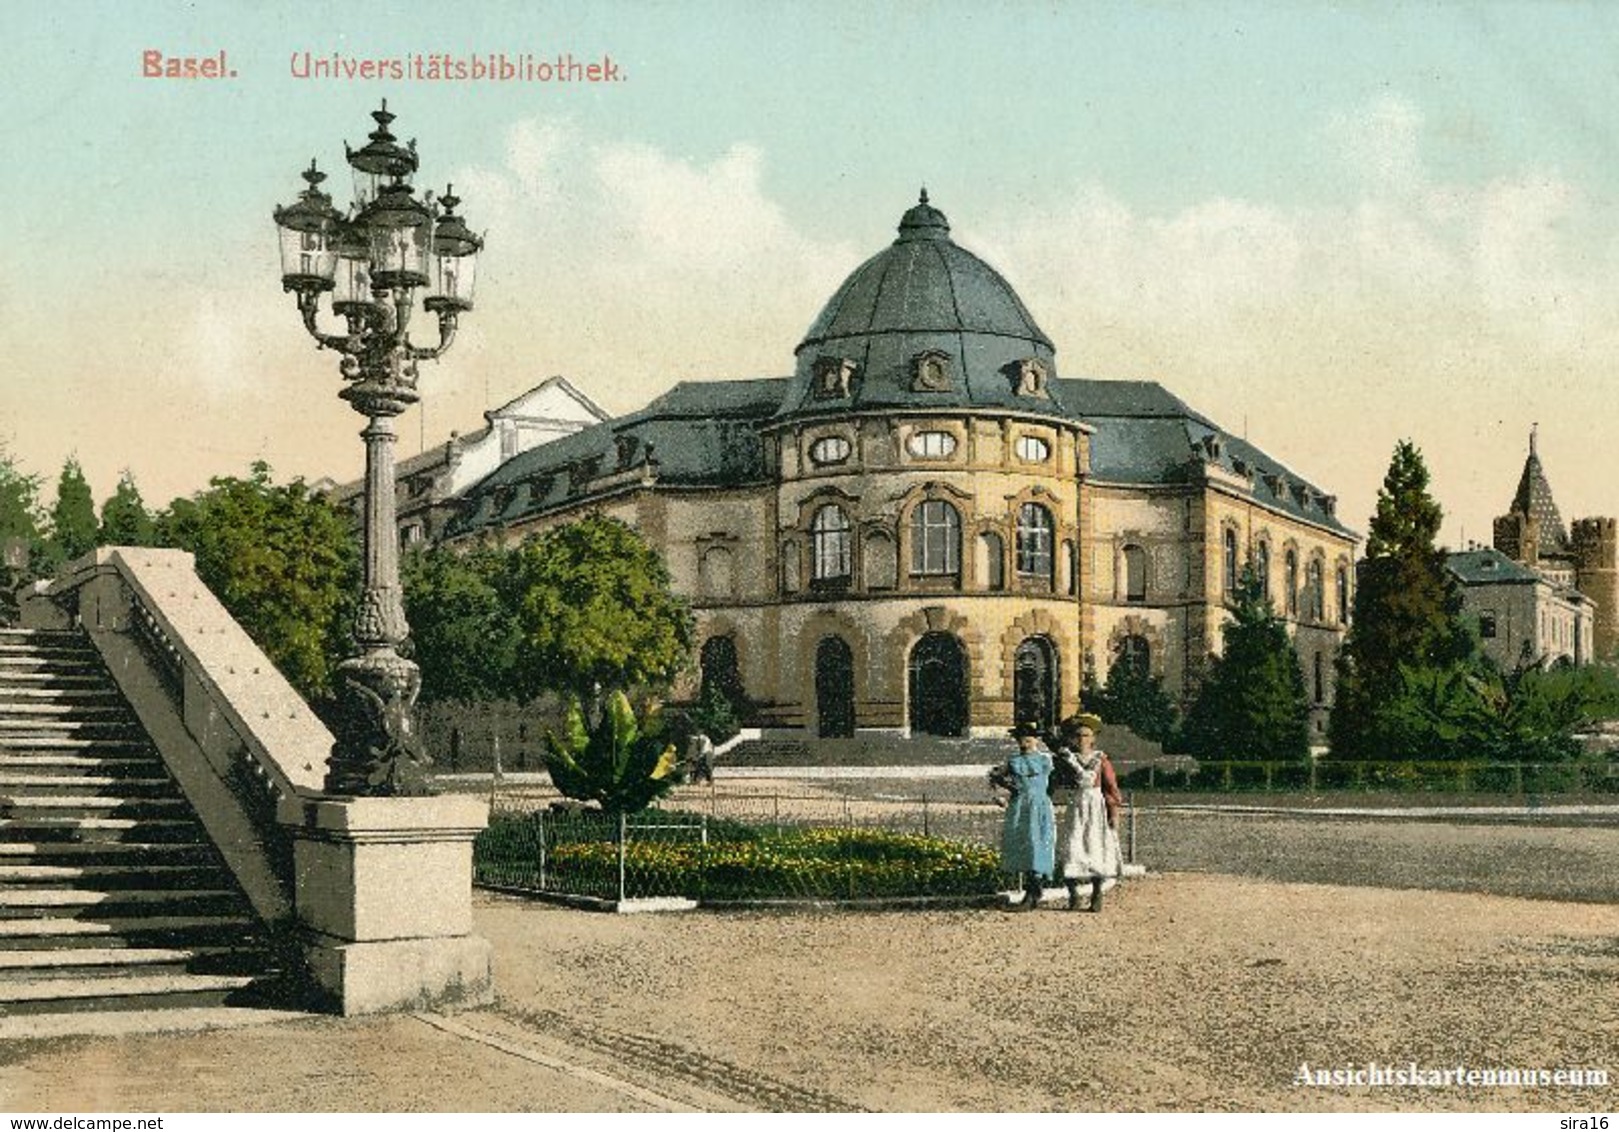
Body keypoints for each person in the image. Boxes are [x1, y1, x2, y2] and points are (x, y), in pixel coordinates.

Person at [1051, 712, 1123, 912]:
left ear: (1093, 738)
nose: (1081, 739)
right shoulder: (1067, 758)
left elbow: (1111, 789)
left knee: (1094, 847)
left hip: (1095, 808)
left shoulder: (1101, 760)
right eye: (1078, 735)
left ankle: (1097, 894)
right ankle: (1073, 896)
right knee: (1072, 847)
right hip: (1076, 806)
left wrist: (1113, 813)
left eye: (1086, 735)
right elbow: (1055, 780)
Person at [988, 720, 1056, 911]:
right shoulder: (1014, 761)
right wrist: (1010, 787)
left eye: (1028, 740)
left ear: (1036, 740)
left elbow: (1053, 782)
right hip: (1021, 806)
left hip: (1040, 805)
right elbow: (995, 775)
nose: (1025, 744)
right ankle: (1031, 892)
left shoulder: (1044, 760)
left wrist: (1044, 797)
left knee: (1038, 843)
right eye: (1021, 740)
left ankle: (1035, 891)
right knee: (1024, 844)